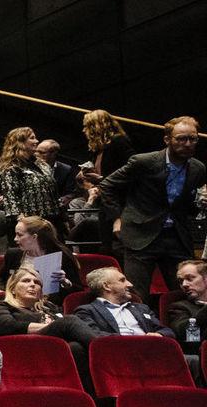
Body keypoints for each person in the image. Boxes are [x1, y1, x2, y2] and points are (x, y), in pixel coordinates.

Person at [99, 116, 204, 296]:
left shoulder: (198, 168)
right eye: (181, 138)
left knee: (186, 292)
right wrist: (117, 218)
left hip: (177, 237)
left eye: (192, 139)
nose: (187, 143)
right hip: (141, 235)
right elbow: (107, 186)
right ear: (167, 140)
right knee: (138, 295)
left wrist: (200, 202)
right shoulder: (144, 162)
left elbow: (190, 208)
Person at [71, 266, 175, 339]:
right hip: (118, 355)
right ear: (106, 286)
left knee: (191, 361)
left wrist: (159, 335)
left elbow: (167, 331)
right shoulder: (87, 311)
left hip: (151, 351)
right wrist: (133, 340)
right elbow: (94, 336)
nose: (130, 284)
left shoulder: (142, 308)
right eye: (122, 280)